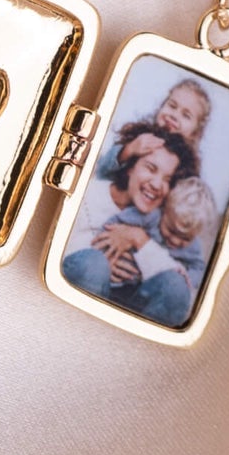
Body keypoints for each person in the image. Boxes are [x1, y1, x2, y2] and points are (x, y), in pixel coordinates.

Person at [61, 124, 199, 327]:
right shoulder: (90, 193)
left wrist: (139, 239)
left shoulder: (163, 221)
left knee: (175, 287)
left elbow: (180, 276)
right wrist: (103, 259)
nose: (157, 184)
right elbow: (57, 247)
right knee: (94, 265)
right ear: (130, 167)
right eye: (150, 168)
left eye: (167, 179)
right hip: (82, 287)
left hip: (131, 301)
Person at [94, 77, 212, 181]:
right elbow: (99, 171)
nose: (174, 115)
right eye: (172, 106)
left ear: (195, 132)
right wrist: (128, 150)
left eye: (186, 115)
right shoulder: (138, 137)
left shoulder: (187, 170)